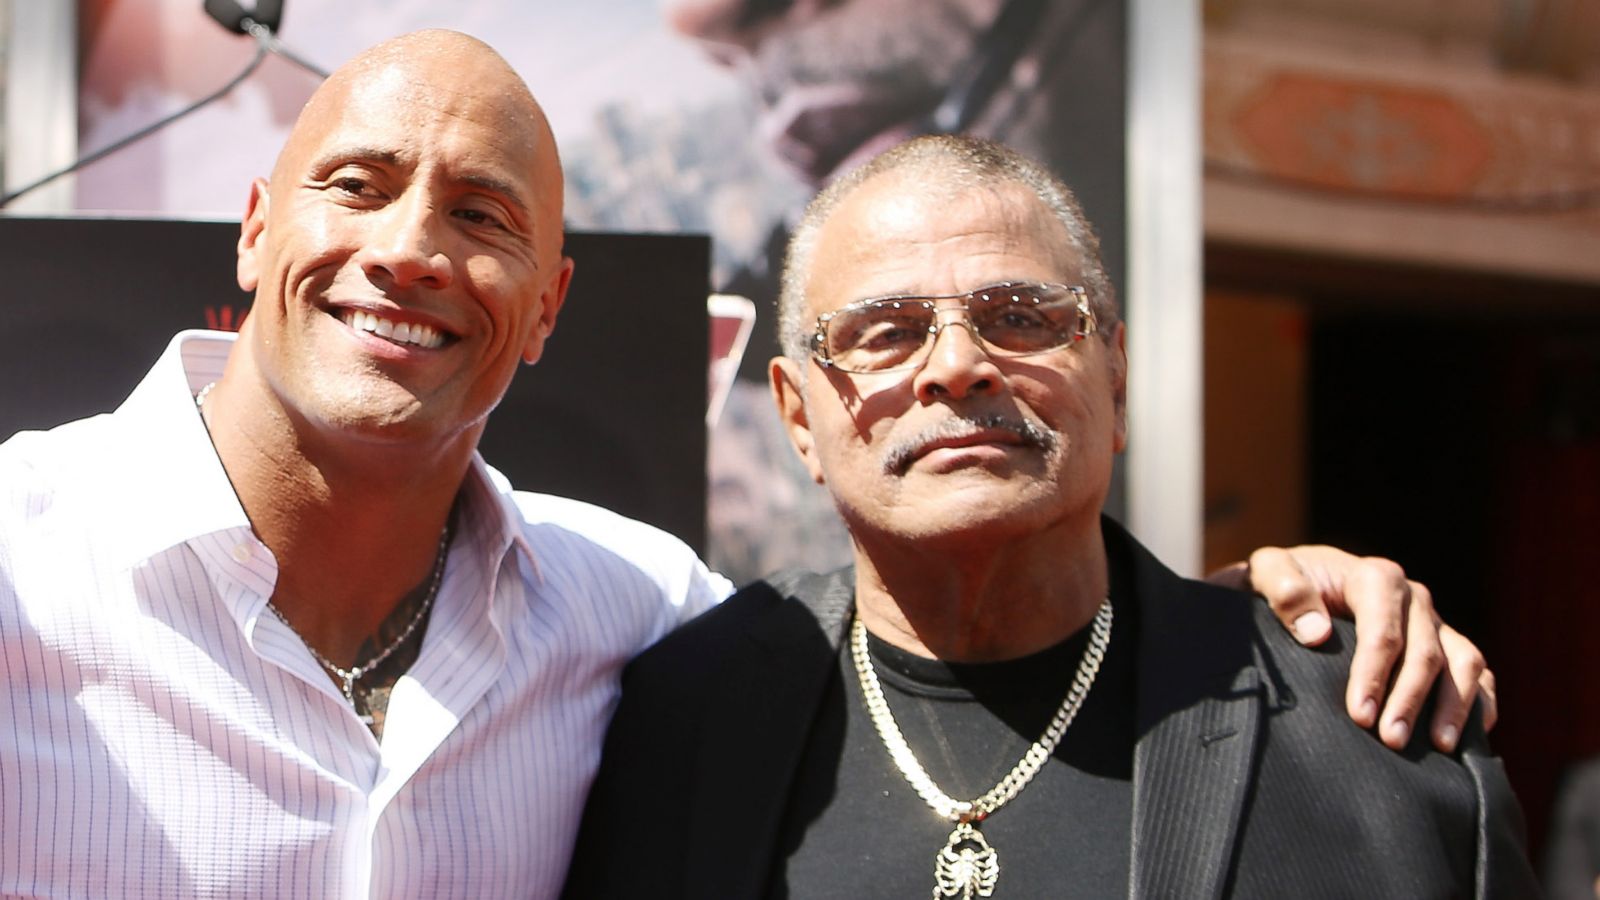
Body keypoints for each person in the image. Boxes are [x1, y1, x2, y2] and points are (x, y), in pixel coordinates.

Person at [0, 28, 1488, 900]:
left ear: (545, 309)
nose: (409, 249)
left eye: (482, 215)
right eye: (358, 185)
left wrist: (1265, 615)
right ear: (257, 229)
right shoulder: (17, 570)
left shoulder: (638, 625)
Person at [561, 135, 1538, 898]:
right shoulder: (673, 723)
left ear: (1114, 376)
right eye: (886, 332)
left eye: (1020, 316)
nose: (955, 365)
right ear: (796, 417)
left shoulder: (1375, 737)